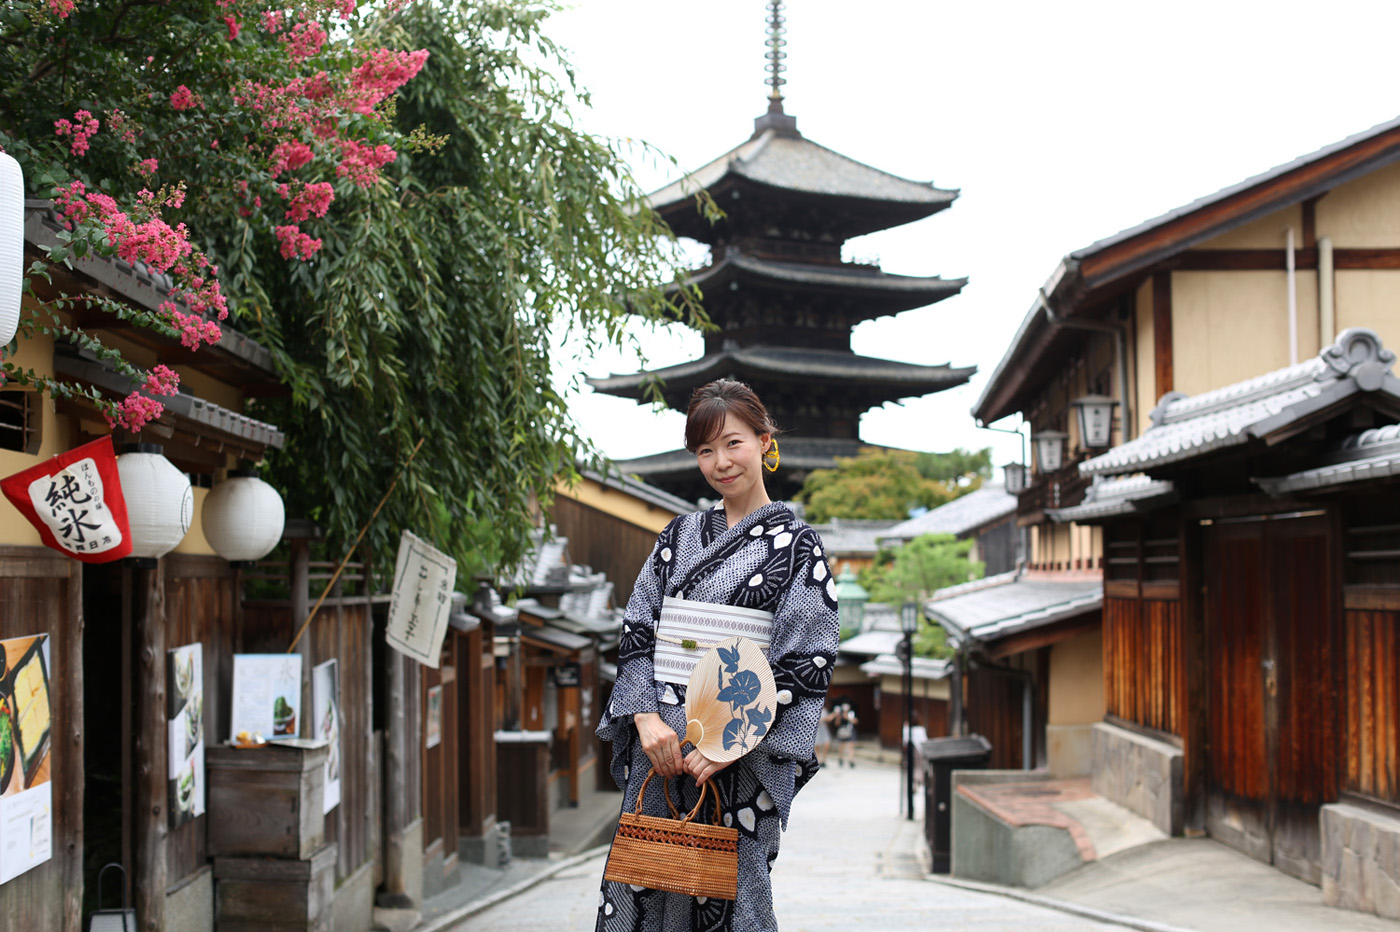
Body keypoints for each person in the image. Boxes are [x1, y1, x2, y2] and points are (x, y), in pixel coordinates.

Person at [595, 379, 839, 932]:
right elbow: (638, 629)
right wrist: (646, 718)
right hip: (659, 752)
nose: (720, 462)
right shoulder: (677, 536)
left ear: (764, 440)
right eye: (705, 450)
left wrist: (730, 742)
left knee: (730, 899)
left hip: (737, 761)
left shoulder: (799, 547)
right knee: (643, 882)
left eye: (733, 443)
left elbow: (807, 660)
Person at [833, 699, 858, 768]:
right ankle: (840, 758)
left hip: (850, 730)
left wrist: (847, 717)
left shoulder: (851, 713)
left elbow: (855, 721)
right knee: (841, 746)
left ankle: (851, 760)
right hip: (842, 731)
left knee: (851, 745)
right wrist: (838, 717)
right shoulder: (840, 714)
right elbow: (836, 724)